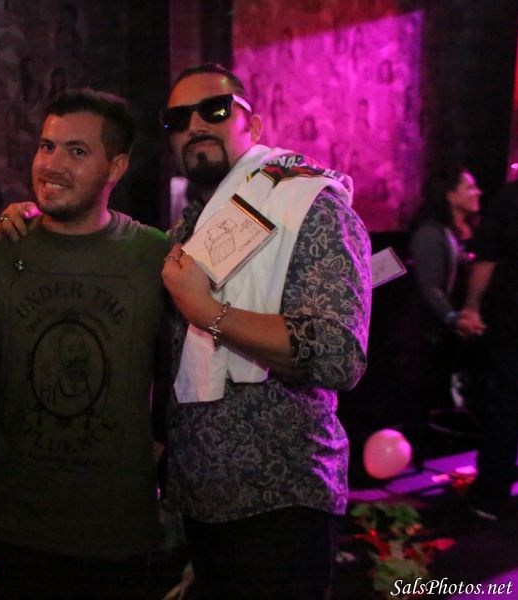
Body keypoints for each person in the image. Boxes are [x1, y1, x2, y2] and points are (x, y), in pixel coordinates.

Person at [159, 63, 372, 600]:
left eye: (215, 109)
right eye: (177, 119)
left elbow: (340, 355)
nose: (195, 125)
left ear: (252, 125)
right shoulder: (186, 230)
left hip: (282, 498)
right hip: (202, 499)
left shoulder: (310, 204)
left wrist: (208, 311)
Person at [0, 89, 170, 599]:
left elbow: (183, 371)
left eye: (77, 151)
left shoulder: (154, 256)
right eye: (47, 146)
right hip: (19, 525)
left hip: (116, 532)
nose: (52, 165)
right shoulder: (0, 252)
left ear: (115, 167)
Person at [457, 178, 518, 521]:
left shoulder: (511, 197)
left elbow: (486, 260)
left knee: (505, 408)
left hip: (513, 321)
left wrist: (471, 307)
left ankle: (490, 498)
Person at [407, 164, 481, 436]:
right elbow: (430, 287)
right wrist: (453, 318)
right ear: (450, 195)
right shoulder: (430, 233)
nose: (477, 192)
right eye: (470, 187)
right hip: (426, 336)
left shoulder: (452, 232)